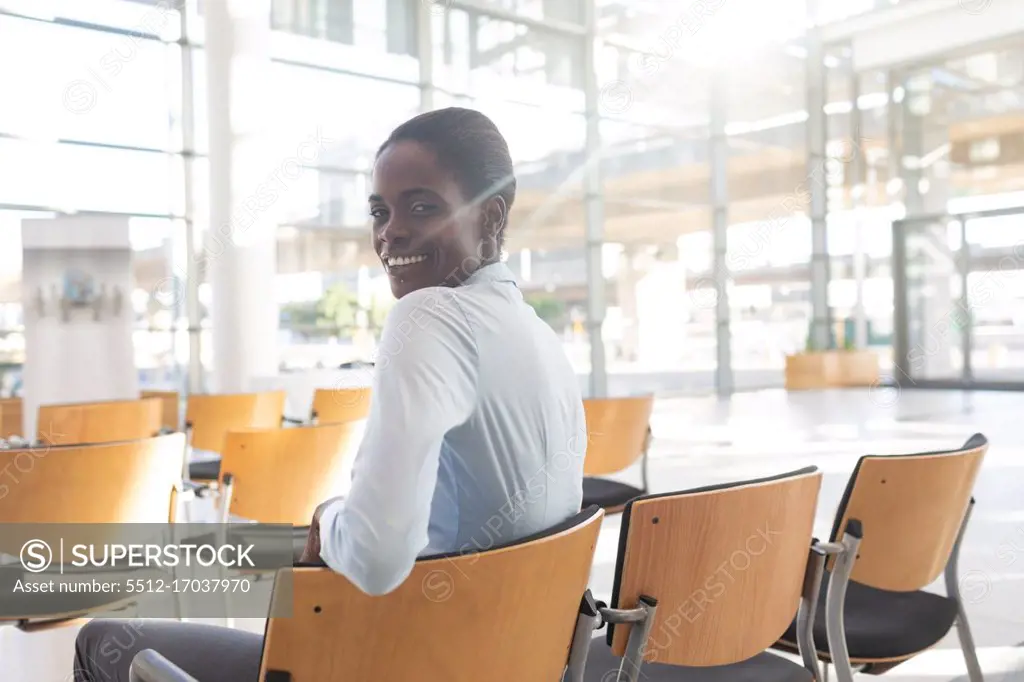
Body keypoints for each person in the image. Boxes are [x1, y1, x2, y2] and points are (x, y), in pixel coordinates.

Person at [73, 107, 586, 682]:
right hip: (516, 659)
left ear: (491, 216)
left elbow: (375, 558)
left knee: (100, 639)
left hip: (405, 657)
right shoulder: (541, 339)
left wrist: (329, 517)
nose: (390, 231)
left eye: (422, 207)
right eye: (379, 211)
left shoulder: (430, 316)